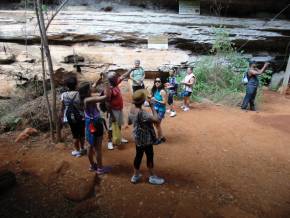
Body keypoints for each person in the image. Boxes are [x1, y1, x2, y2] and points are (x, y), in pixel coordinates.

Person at [128, 89, 165, 185]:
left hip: (137, 137)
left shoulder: (132, 109)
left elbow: (129, 122)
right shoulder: (142, 113)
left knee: (138, 155)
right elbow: (156, 120)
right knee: (149, 155)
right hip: (146, 139)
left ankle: (135, 176)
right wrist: (152, 106)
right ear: (143, 101)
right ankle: (152, 176)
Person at [80, 78, 111, 175]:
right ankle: (100, 168)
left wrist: (99, 79)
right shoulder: (89, 99)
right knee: (97, 148)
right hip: (96, 123)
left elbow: (93, 86)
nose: (92, 89)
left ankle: (92, 165)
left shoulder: (83, 97)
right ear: (87, 91)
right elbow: (106, 96)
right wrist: (106, 83)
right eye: (89, 88)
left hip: (89, 123)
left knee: (89, 145)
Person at [60, 76, 86, 157]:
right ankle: (82, 149)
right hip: (80, 116)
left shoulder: (63, 95)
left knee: (75, 134)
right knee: (81, 134)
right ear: (76, 85)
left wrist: (61, 116)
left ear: (67, 86)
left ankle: (77, 151)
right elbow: (82, 105)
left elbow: (62, 107)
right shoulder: (79, 94)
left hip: (69, 117)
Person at [106, 70, 131, 150]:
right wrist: (112, 114)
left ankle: (119, 137)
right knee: (111, 127)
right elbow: (107, 103)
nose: (117, 78)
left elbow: (123, 76)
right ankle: (109, 141)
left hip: (119, 109)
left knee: (119, 123)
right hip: (113, 110)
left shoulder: (115, 83)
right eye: (115, 77)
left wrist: (131, 69)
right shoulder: (109, 89)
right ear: (111, 79)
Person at [151, 77, 167, 144]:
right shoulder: (155, 90)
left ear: (161, 83)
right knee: (156, 124)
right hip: (155, 109)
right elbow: (153, 99)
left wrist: (156, 100)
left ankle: (159, 139)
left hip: (161, 110)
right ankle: (162, 137)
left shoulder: (162, 91)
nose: (157, 82)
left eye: (159, 81)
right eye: (156, 81)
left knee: (157, 124)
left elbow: (164, 102)